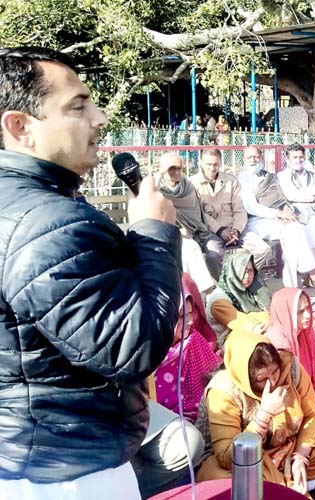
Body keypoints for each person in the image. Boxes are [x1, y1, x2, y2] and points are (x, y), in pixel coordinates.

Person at [0, 47, 183, 498]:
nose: (99, 119)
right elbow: (132, 347)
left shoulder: (24, 204)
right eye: (77, 107)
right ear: (19, 127)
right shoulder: (48, 223)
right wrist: (154, 233)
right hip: (65, 471)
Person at [196, 331, 315, 493]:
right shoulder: (223, 391)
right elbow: (226, 457)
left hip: (284, 449)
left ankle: (286, 481)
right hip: (244, 462)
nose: (273, 382)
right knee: (219, 479)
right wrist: (264, 414)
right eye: (261, 379)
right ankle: (291, 485)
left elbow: (312, 414)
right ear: (245, 377)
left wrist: (301, 456)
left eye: (275, 371)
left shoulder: (290, 369)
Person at [154, 275, 222, 422]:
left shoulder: (193, 340)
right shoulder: (147, 353)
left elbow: (214, 374)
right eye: (181, 316)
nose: (190, 321)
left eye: (191, 313)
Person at [190, 148, 271, 271]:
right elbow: (199, 214)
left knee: (262, 250)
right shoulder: (192, 183)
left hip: (235, 229)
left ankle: (242, 280)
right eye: (208, 164)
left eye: (216, 164)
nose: (212, 168)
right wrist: (220, 230)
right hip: (211, 232)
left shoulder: (230, 181)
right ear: (201, 163)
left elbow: (239, 209)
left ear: (220, 163)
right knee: (212, 256)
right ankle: (223, 286)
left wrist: (237, 230)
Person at [158, 152, 227, 280]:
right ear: (163, 169)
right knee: (190, 252)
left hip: (199, 231)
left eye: (179, 168)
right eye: (172, 168)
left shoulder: (187, 186)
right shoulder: (157, 189)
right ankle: (200, 292)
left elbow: (196, 214)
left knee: (214, 253)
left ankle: (219, 289)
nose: (177, 172)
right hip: (174, 234)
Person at [277, 143, 315, 285]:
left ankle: (314, 270)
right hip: (294, 215)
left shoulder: (310, 174)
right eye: (295, 157)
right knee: (303, 237)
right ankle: (314, 275)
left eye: (301, 157)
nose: (298, 160)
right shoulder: (283, 176)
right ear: (287, 159)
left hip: (314, 213)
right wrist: (311, 196)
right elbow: (291, 195)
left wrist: (306, 194)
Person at [205, 252, 272, 346]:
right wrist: (266, 323)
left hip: (253, 334)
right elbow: (240, 322)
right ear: (232, 272)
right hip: (228, 344)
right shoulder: (219, 299)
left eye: (250, 270)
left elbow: (270, 311)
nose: (247, 276)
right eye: (242, 271)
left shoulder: (253, 290)